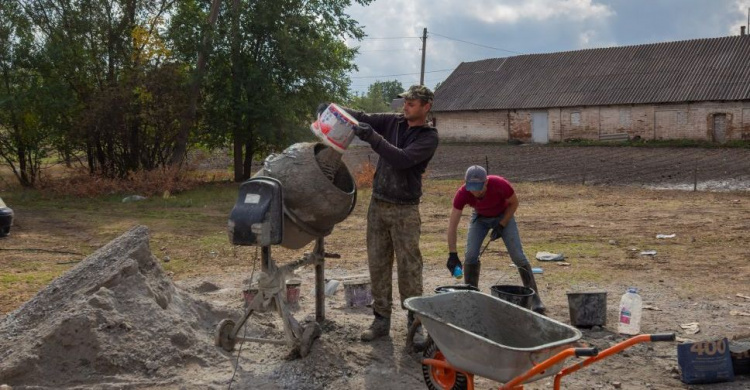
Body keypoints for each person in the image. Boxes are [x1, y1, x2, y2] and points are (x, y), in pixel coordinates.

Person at [318, 85, 438, 342]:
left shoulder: (428, 137)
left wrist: (373, 137)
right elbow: (362, 117)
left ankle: (415, 323)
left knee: (409, 268)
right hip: (378, 205)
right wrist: (333, 109)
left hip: (405, 210)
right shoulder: (393, 122)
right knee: (378, 265)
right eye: (405, 102)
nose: (405, 106)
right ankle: (381, 320)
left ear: (426, 107)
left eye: (412, 103)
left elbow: (402, 159)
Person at [446, 165, 546, 314]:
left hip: (503, 215)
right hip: (480, 218)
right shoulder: (463, 193)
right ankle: (472, 298)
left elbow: (514, 203)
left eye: (478, 187)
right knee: (471, 255)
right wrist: (452, 254)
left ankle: (535, 298)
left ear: (486, 182)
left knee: (517, 255)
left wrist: (502, 224)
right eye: (471, 187)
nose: (475, 192)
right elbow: (452, 224)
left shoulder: (500, 184)